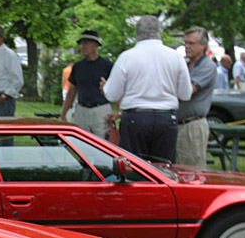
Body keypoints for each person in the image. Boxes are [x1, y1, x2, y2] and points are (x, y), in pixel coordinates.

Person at [102, 15, 192, 163]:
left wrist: (105, 87)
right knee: (164, 170)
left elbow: (111, 94)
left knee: (134, 169)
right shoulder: (175, 57)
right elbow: (185, 94)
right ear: (159, 32)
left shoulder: (127, 57)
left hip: (135, 119)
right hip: (166, 118)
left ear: (137, 33)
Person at [176, 27, 217, 168]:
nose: (187, 47)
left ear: (203, 45)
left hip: (192, 126)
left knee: (191, 170)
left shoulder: (207, 66)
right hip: (178, 124)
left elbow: (185, 93)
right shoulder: (186, 64)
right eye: (185, 43)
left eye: (191, 43)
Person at [60, 29, 113, 138]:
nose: (82, 47)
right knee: (81, 141)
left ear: (96, 45)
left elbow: (117, 89)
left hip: (101, 109)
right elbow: (72, 91)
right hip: (82, 108)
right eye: (81, 44)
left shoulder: (107, 66)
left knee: (102, 144)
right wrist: (64, 112)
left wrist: (120, 112)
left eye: (86, 44)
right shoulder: (78, 66)